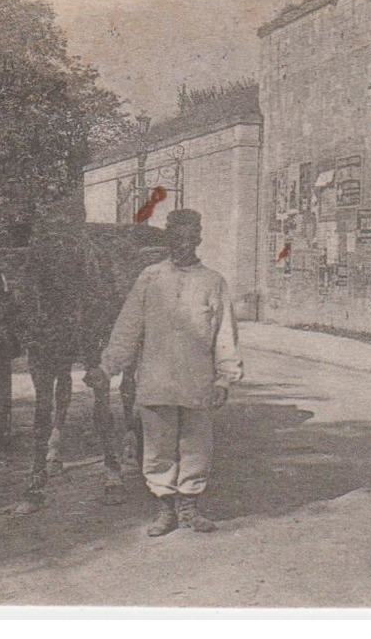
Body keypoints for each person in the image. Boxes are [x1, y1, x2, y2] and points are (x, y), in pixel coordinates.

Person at [101, 209, 242, 536]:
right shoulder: (150, 278)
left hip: (197, 380)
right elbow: (128, 326)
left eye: (189, 237)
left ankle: (190, 508)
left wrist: (224, 378)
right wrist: (109, 365)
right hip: (157, 379)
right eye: (175, 237)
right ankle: (165, 509)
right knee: (158, 446)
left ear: (198, 239)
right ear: (167, 239)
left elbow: (225, 334)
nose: (182, 244)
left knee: (196, 447)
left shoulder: (213, 282)